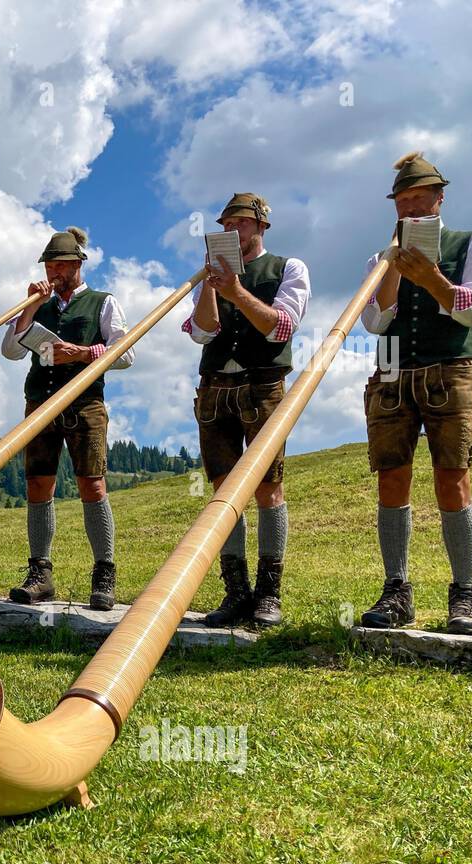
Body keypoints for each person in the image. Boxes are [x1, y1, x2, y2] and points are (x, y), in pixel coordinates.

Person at [358, 152, 472, 634]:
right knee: (391, 478)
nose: (410, 211)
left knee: (452, 479)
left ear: (440, 199)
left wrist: (432, 278)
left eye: (419, 200)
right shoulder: (380, 258)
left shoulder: (471, 242)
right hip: (393, 372)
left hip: (449, 370)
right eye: (402, 203)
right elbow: (374, 321)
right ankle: (397, 592)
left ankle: (464, 597)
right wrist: (394, 268)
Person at [184, 193, 310, 627]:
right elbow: (201, 334)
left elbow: (280, 328)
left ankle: (269, 594)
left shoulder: (288, 269)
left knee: (267, 489)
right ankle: (236, 593)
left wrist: (236, 292)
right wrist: (209, 287)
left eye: (239, 223)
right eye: (226, 225)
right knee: (223, 493)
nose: (231, 231)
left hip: (262, 385)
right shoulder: (211, 277)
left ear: (260, 227)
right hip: (214, 387)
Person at [0, 226, 133, 610]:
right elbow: (10, 351)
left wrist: (82, 353)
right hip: (40, 401)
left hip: (85, 403)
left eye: (61, 264)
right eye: (50, 264)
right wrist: (28, 307)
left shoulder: (103, 302)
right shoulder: (36, 304)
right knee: (38, 485)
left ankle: (104, 574)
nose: (54, 271)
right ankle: (40, 574)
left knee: (92, 484)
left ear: (78, 264)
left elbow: (124, 354)